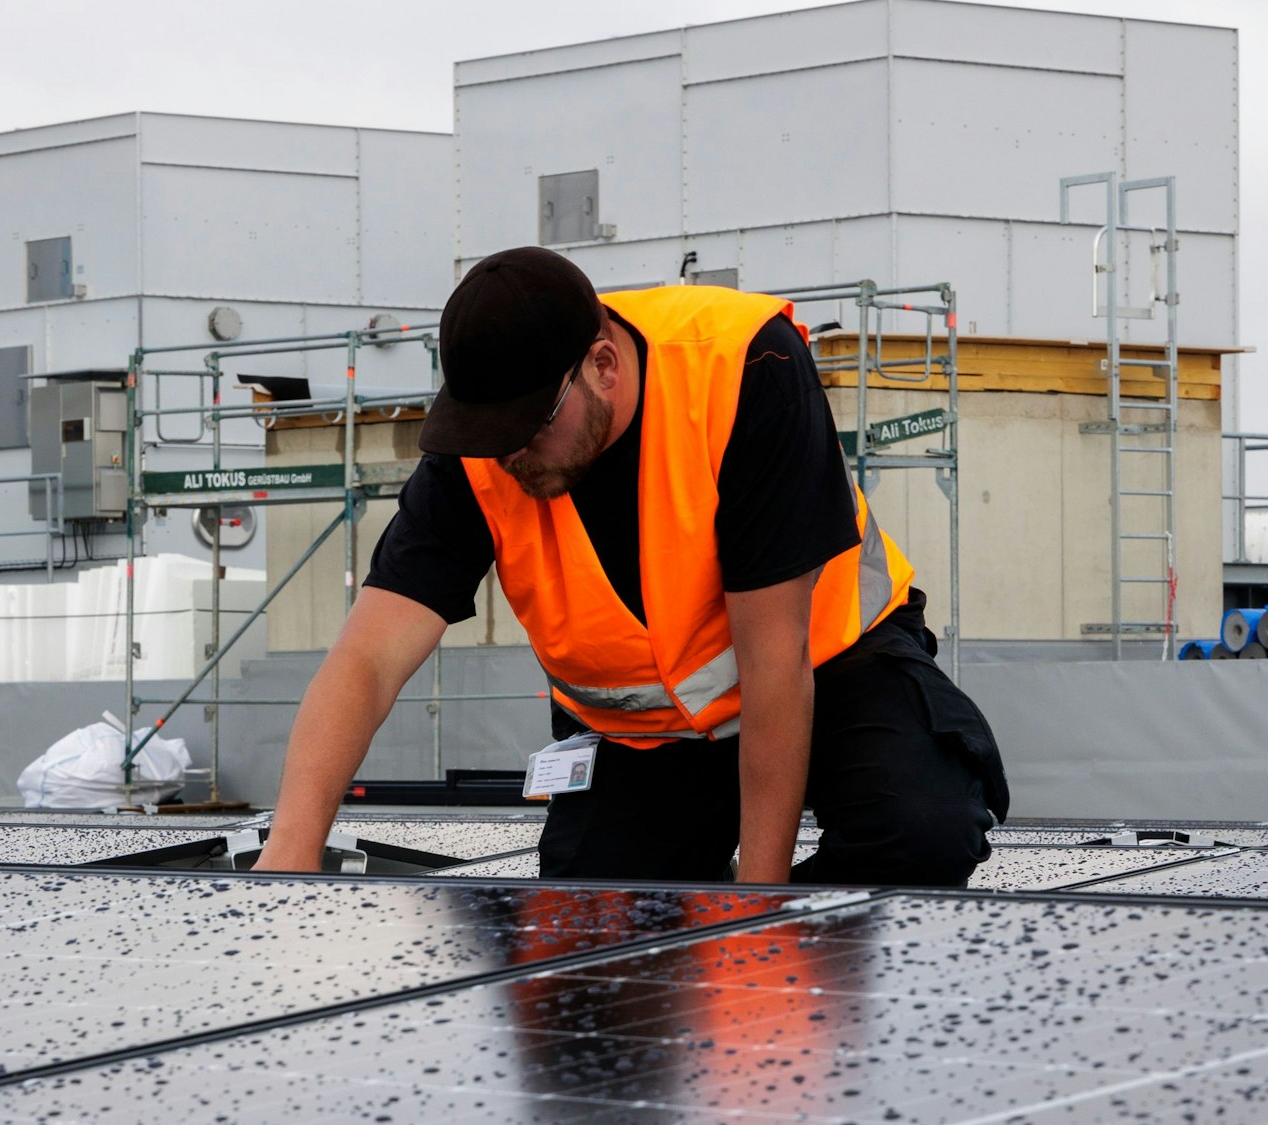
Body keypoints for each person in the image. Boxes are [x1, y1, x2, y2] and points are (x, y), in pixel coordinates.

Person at [257, 247, 1008, 885]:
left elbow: (774, 661)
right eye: (491, 436)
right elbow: (368, 658)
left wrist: (757, 914)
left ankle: (799, 1005)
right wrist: (289, 852)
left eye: (530, 429)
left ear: (604, 366)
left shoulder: (746, 368)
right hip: (643, 739)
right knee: (592, 947)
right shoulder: (484, 446)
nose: (508, 456)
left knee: (920, 831)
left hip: (827, 669)